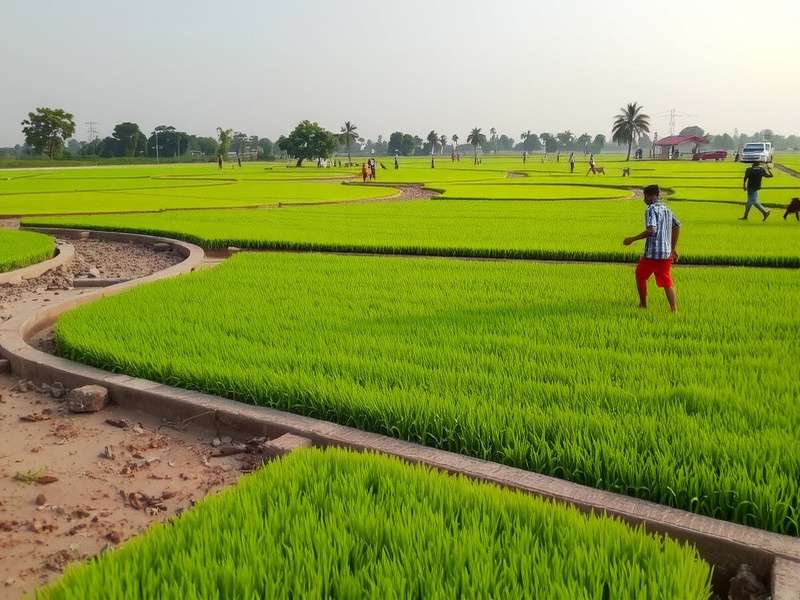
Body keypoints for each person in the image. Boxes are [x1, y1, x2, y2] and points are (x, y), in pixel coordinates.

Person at [623, 184, 681, 313]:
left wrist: (632, 239)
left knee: (640, 275)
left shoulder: (651, 210)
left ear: (651, 196)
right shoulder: (667, 209)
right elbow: (677, 226)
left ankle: (643, 304)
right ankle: (674, 310)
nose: (644, 199)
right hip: (666, 253)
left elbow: (651, 230)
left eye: (645, 196)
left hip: (652, 253)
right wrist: (672, 248)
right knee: (667, 280)